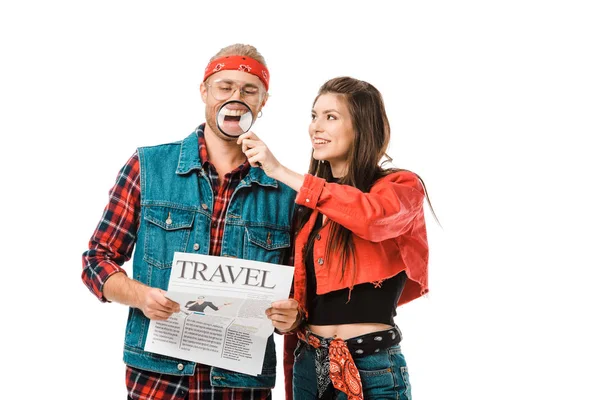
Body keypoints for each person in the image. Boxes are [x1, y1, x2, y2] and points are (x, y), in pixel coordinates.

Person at [82, 43, 302, 400]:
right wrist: (140, 296)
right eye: (225, 86)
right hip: (158, 382)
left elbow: (299, 296)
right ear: (204, 91)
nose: (236, 98)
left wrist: (292, 315)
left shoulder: (285, 193)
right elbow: (96, 261)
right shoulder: (148, 168)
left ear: (263, 102)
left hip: (239, 387)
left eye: (249, 90)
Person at [238, 76, 432, 399]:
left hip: (372, 368)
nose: (316, 127)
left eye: (331, 117)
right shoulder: (308, 211)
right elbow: (306, 301)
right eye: (314, 116)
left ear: (362, 127)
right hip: (309, 367)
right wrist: (290, 317)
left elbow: (371, 218)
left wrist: (280, 171)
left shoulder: (402, 187)